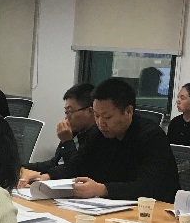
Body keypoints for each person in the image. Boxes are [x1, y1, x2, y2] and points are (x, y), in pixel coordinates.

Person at [22, 78, 180, 201]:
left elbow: (148, 186)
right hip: (109, 207)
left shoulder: (152, 137)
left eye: (107, 117)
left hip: (153, 211)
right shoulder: (98, 133)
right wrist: (48, 177)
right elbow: (78, 164)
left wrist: (103, 189)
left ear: (128, 111)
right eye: (96, 116)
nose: (100, 123)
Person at [24, 83, 96, 173]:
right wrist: (23, 166)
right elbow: (56, 162)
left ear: (90, 111)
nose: (66, 118)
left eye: (70, 111)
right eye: (66, 112)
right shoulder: (74, 132)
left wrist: (67, 141)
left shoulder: (96, 137)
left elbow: (74, 169)